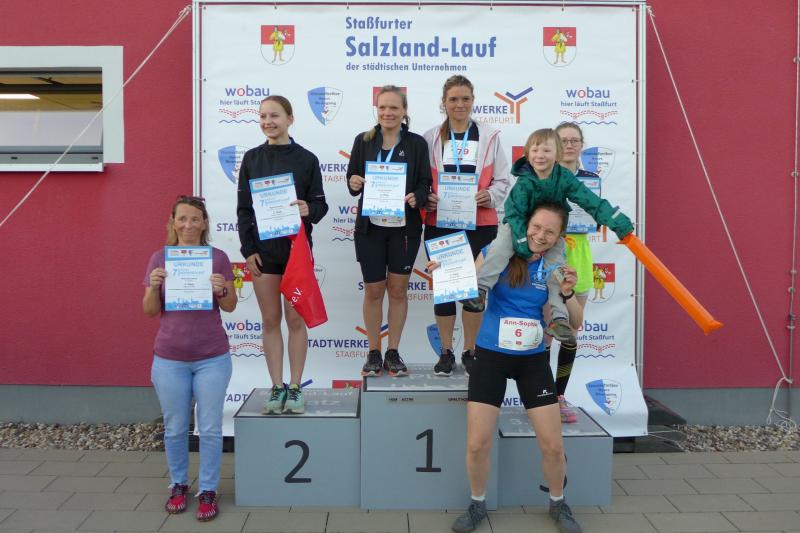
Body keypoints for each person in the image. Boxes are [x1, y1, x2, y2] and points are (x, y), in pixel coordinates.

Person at [444, 203, 584, 533]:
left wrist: (568, 293)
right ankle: (477, 503)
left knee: (553, 445)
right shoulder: (496, 252)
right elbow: (464, 289)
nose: (541, 235)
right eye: (536, 227)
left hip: (532, 360)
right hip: (491, 356)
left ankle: (558, 502)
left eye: (550, 232)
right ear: (525, 225)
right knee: (477, 443)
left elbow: (576, 322)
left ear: (558, 237)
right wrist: (444, 274)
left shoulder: (555, 265)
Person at [463, 128, 633, 351]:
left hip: (551, 234)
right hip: (518, 228)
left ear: (558, 154)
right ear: (527, 154)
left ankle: (559, 319)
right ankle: (481, 289)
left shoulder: (564, 178)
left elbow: (590, 201)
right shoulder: (524, 182)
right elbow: (514, 214)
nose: (540, 155)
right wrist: (523, 245)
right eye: (535, 150)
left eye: (546, 150)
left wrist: (616, 220)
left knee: (556, 269)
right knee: (500, 248)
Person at [143, 195, 237, 522]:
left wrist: (221, 289)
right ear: (173, 222)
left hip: (212, 358)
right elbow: (149, 311)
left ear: (204, 223)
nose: (188, 225)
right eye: (182, 219)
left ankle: (208, 489)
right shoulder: (159, 258)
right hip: (170, 359)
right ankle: (178, 484)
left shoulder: (218, 258)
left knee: (209, 429)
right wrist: (152, 287)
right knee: (174, 428)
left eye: (195, 219)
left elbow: (230, 306)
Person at [237, 95, 328, 414]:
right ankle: (276, 387)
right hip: (264, 255)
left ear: (290, 119)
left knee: (295, 320)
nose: (268, 122)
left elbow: (320, 205)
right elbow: (244, 210)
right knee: (270, 320)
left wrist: (308, 209)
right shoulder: (252, 159)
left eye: (274, 115)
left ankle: (296, 386)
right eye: (263, 116)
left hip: (296, 254)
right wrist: (249, 250)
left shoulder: (307, 159)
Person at [422, 75, 510, 376]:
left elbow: (503, 179)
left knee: (475, 289)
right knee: (445, 290)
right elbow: (422, 181)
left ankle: (470, 351)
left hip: (481, 224)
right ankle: (446, 351)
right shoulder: (430, 138)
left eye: (465, 99)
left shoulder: (490, 136)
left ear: (473, 101)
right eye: (453, 99)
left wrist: (491, 195)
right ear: (443, 103)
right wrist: (428, 198)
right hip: (441, 222)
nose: (459, 104)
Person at [347, 85, 432, 377]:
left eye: (394, 107)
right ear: (377, 109)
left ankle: (393, 351)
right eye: (382, 107)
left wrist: (417, 197)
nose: (387, 113)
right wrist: (354, 182)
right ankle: (373, 351)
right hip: (370, 228)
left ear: (404, 110)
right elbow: (352, 180)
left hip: (404, 230)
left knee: (397, 290)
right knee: (373, 290)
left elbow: (425, 182)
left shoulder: (417, 143)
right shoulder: (363, 140)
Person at [553, 121, 600, 423]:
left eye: (574, 140)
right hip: (552, 253)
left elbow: (596, 214)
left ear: (582, 144)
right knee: (547, 329)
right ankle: (540, 394)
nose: (569, 145)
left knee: (572, 329)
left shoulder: (591, 179)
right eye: (564, 141)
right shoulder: (547, 177)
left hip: (580, 254)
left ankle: (559, 395)